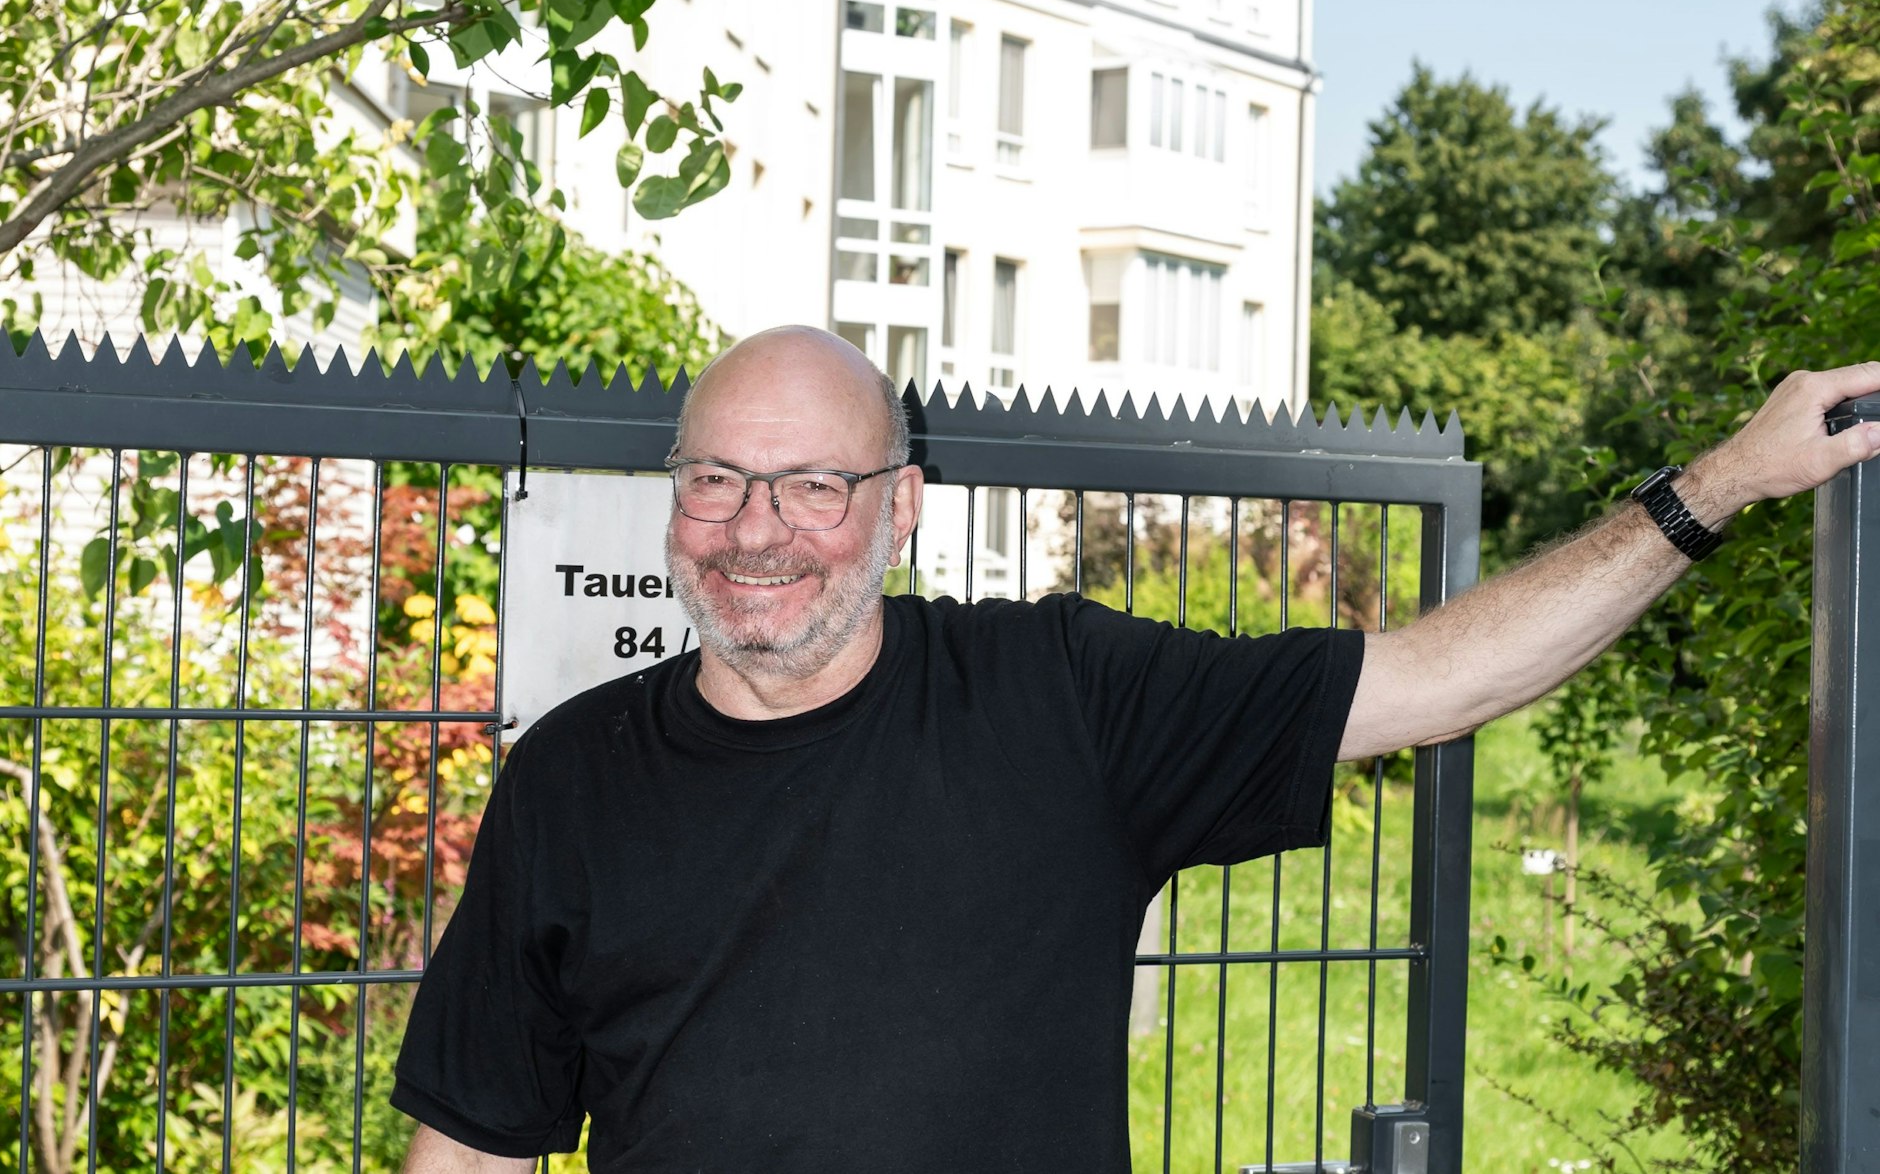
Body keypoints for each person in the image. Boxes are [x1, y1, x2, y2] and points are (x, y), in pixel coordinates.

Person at [392, 326, 1880, 1172]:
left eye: (811, 485)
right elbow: (470, 1144)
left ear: (901, 508)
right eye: (716, 478)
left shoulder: (1060, 696)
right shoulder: (572, 780)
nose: (755, 529)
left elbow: (1428, 682)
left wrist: (1719, 484)